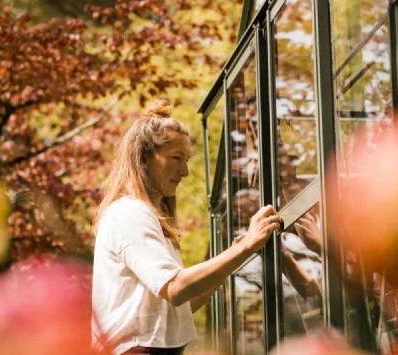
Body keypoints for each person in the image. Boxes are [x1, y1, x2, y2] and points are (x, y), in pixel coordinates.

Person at [91, 101, 282, 355]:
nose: (185, 171)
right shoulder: (129, 214)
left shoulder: (146, 216)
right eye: (176, 158)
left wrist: (236, 256)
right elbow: (176, 289)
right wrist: (246, 246)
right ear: (144, 158)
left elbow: (182, 304)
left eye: (186, 159)